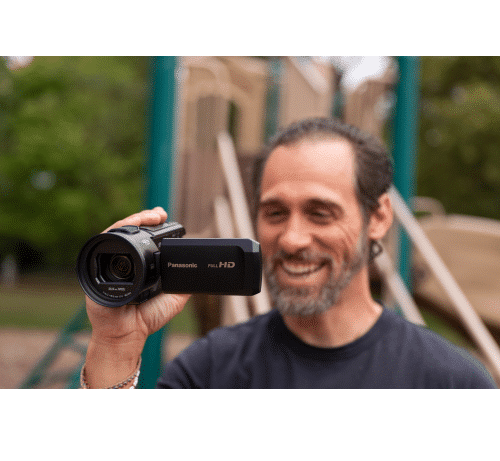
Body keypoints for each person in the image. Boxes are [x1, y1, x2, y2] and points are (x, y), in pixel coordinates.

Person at [82, 117, 497, 389]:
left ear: (378, 217)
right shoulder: (208, 371)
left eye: (320, 213)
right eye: (275, 213)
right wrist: (115, 344)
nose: (292, 239)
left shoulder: (451, 382)